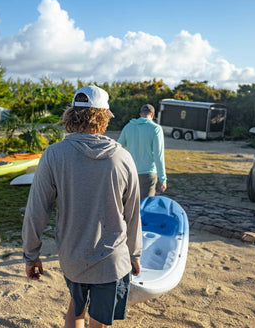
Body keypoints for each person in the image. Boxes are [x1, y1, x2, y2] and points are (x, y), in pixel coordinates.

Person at [22, 85, 142, 328]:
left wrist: (31, 255)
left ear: (72, 115)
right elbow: (133, 214)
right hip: (112, 260)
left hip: (73, 257)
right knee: (99, 322)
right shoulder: (123, 158)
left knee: (76, 310)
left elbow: (36, 210)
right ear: (104, 117)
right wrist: (134, 253)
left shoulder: (54, 154)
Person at [118, 104, 167, 198]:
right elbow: (159, 155)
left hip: (130, 173)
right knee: (145, 207)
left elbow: (118, 148)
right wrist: (162, 179)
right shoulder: (156, 129)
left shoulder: (128, 127)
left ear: (140, 114)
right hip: (148, 174)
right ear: (152, 115)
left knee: (130, 207)